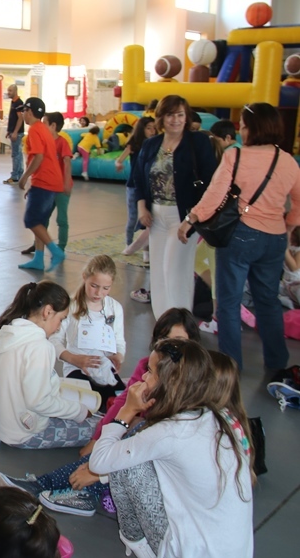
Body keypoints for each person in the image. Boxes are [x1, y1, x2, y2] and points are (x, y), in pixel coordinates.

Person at [0, 308, 201, 517]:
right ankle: (40, 485)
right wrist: (98, 438)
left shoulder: (180, 416)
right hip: (138, 451)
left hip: (162, 493)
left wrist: (99, 476)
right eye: (164, 340)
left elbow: (144, 462)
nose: (146, 377)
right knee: (117, 441)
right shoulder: (153, 372)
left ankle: (83, 492)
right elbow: (122, 406)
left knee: (120, 443)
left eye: (178, 342)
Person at [89, 339, 253, 558]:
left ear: (170, 383)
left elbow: (98, 462)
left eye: (151, 372)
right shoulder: (219, 414)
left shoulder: (170, 431)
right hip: (232, 548)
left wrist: (126, 412)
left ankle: (137, 543)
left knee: (127, 464)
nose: (143, 375)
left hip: (196, 553)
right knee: (135, 450)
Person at [178, 102, 300, 370]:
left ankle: (231, 367)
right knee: (267, 301)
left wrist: (191, 219)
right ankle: (278, 364)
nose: (241, 132)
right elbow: (298, 202)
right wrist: (289, 227)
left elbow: (214, 195)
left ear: (254, 128)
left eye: (243, 126)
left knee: (228, 304)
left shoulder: (236, 157)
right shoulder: (288, 160)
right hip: (275, 239)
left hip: (240, 237)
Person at [0, 281, 98, 449]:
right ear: (48, 311)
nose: (59, 328)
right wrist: (79, 411)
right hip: (27, 434)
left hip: (5, 427)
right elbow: (39, 402)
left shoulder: (9, 331)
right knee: (102, 428)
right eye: (61, 319)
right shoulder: (40, 347)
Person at [133, 95, 217, 319]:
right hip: (156, 216)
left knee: (175, 271)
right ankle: (163, 323)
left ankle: (182, 324)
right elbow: (138, 180)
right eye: (170, 115)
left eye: (180, 115)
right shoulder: (151, 144)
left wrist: (193, 217)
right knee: (159, 273)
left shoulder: (197, 141)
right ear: (161, 117)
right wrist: (142, 208)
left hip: (184, 218)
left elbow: (211, 181)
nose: (176, 120)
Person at [50, 255, 126, 406]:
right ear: (85, 277)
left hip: (104, 368)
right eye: (94, 286)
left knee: (120, 402)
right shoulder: (71, 306)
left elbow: (119, 340)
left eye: (106, 288)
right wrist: (74, 359)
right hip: (75, 367)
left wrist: (118, 357)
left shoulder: (115, 308)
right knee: (90, 402)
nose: (98, 293)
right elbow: (54, 340)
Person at [17, 98, 66, 272]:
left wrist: (24, 177)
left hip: (45, 182)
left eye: (23, 111)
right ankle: (38, 259)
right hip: (49, 181)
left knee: (31, 220)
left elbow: (38, 156)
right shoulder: (43, 130)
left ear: (29, 112)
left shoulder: (35, 131)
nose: (22, 114)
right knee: (40, 222)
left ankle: (55, 251)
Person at [116, 116, 156, 260]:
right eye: (148, 128)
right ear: (142, 129)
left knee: (148, 220)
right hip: (134, 186)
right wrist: (118, 164)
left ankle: (146, 250)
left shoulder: (156, 144)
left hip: (150, 186)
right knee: (133, 217)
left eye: (153, 128)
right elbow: (119, 159)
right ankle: (129, 243)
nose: (152, 131)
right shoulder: (134, 144)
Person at [3, 84, 25, 185]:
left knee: (16, 154)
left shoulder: (19, 103)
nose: (9, 93)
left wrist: (15, 132)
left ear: (15, 91)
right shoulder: (13, 102)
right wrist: (9, 130)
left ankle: (15, 176)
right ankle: (19, 174)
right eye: (8, 90)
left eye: (10, 91)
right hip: (13, 131)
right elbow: (13, 118)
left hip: (17, 133)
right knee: (18, 154)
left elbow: (20, 118)